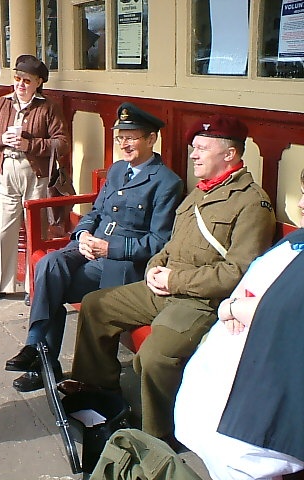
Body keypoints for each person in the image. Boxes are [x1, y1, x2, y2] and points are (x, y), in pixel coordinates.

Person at [60, 114, 276, 446]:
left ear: (229, 154)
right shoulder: (199, 193)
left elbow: (237, 273)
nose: (194, 155)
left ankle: (157, 434)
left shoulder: (251, 203)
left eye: (202, 148)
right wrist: (154, 268)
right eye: (194, 148)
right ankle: (100, 392)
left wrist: (174, 280)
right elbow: (172, 245)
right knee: (96, 305)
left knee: (154, 357)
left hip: (202, 301)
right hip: (165, 286)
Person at [5, 103, 183, 392]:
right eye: (120, 138)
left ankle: (45, 363)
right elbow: (95, 213)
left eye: (132, 137)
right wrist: (83, 234)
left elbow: (158, 242)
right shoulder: (116, 170)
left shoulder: (166, 183)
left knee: (53, 285)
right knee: (50, 265)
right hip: (91, 250)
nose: (124, 144)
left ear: (152, 139)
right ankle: (36, 347)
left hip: (121, 264)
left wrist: (108, 248)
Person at [174, 170, 304, 480]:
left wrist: (235, 308)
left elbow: (281, 310)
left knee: (231, 449)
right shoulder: (295, 242)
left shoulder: (251, 201)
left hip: (274, 394)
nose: (300, 204)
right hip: (238, 346)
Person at [0, 54, 69, 304]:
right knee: (2, 231)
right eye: (17, 78)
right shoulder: (3, 104)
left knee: (35, 231)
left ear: (38, 82)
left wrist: (30, 144)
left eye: (26, 80)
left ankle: (33, 285)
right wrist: (0, 140)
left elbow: (61, 143)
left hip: (35, 175)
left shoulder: (48, 107)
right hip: (8, 173)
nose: (20, 84)